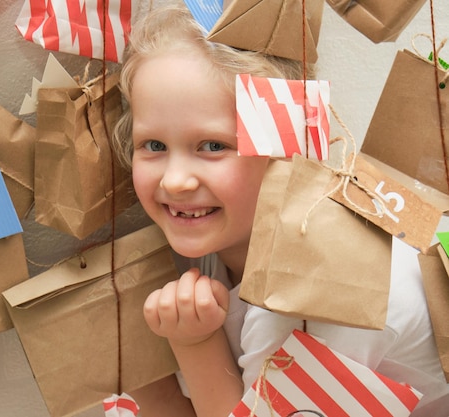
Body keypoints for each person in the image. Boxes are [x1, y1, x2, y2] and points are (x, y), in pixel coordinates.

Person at [113, 3, 449, 417]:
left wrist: (194, 344)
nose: (175, 180)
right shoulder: (218, 236)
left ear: (284, 148)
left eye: (214, 146)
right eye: (154, 146)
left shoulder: (314, 292)